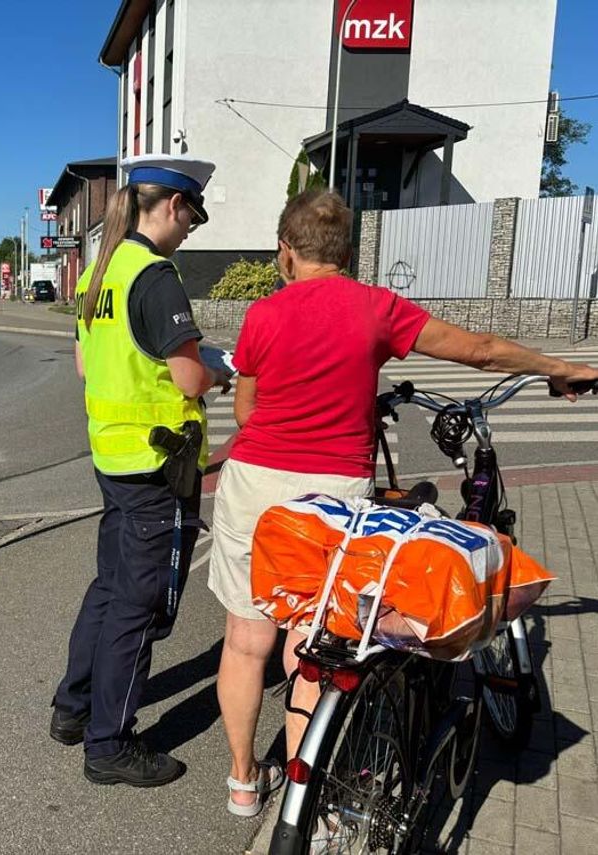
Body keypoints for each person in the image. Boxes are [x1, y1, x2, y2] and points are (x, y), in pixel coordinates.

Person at [209, 188, 598, 817]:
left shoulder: (263, 315)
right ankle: (312, 803)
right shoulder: (376, 307)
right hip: (330, 494)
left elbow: (248, 409)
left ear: (286, 251)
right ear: (349, 251)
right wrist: (559, 366)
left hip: (253, 480)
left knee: (246, 639)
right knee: (315, 646)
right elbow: (480, 350)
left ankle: (243, 783)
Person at [50, 154, 231, 788]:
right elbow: (186, 376)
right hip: (157, 466)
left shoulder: (99, 272)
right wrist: (218, 373)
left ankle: (73, 708)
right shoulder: (156, 276)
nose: (189, 233)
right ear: (174, 206)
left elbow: (86, 366)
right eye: (192, 219)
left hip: (112, 458)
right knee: (139, 603)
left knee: (108, 587)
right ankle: (109, 743)